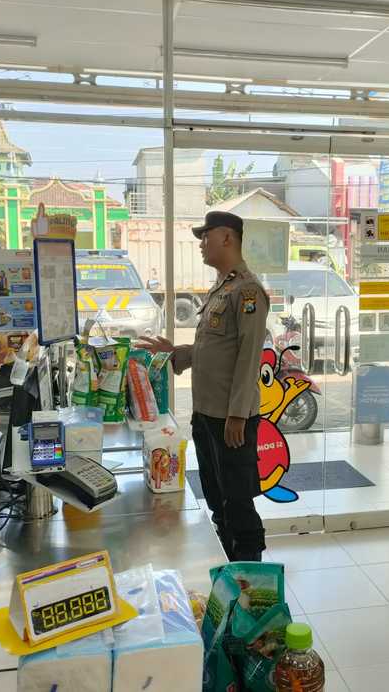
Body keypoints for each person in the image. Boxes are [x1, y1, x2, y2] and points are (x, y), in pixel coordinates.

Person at [138, 211, 269, 561]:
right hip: (208, 414)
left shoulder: (247, 291)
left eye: (205, 236)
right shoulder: (221, 288)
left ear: (226, 237)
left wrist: (238, 415)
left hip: (231, 419)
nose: (201, 244)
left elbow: (248, 357)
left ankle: (250, 576)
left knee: (238, 502)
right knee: (217, 499)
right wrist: (175, 353)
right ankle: (227, 566)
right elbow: (214, 349)